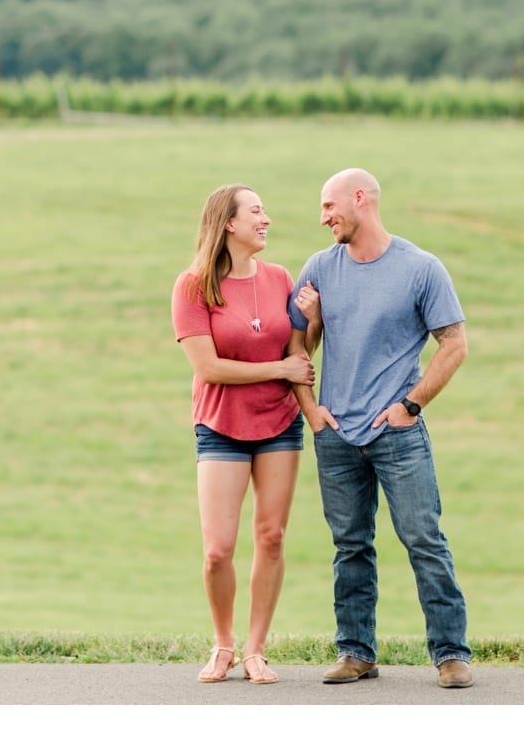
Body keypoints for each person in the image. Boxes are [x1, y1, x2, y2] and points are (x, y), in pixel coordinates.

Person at [287, 167, 474, 689]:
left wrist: (410, 406)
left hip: (397, 435)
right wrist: (311, 410)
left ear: (360, 198)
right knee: (350, 545)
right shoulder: (320, 269)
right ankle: (356, 653)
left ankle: (451, 655)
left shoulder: (421, 268)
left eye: (329, 206)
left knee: (424, 539)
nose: (323, 218)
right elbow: (297, 348)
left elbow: (454, 344)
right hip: (337, 436)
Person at [171, 183, 318, 685]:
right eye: (256, 211)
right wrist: (280, 369)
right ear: (229, 223)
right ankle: (223, 644)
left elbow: (302, 356)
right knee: (218, 548)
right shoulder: (193, 286)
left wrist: (312, 321)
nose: (267, 219)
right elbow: (209, 367)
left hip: (278, 424)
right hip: (220, 426)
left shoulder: (279, 278)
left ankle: (256, 649)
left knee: (271, 537)